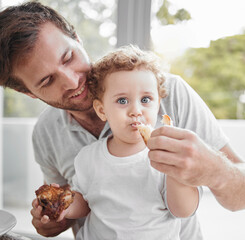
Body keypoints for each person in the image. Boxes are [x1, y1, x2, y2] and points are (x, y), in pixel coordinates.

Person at [0, 1, 244, 239]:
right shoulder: (46, 133)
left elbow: (239, 196)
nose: (72, 81)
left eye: (68, 57)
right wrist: (52, 221)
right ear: (28, 93)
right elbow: (72, 205)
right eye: (47, 81)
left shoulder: (168, 93)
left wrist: (214, 170)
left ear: (77, 38)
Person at [53, 45, 200, 239]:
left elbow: (183, 211)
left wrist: (174, 169)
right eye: (122, 101)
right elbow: (84, 202)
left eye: (146, 99)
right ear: (102, 110)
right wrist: (65, 204)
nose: (136, 110)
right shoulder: (88, 158)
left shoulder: (167, 153)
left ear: (158, 104)